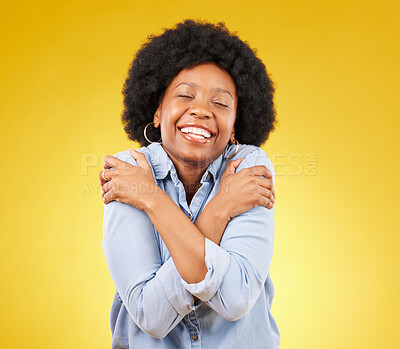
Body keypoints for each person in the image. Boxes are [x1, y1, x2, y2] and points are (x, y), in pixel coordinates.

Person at [99, 19, 280, 348]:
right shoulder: (128, 172)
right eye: (185, 96)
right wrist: (222, 206)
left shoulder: (249, 167)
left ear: (236, 124)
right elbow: (150, 314)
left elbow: (236, 297)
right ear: (157, 112)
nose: (201, 111)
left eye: (221, 103)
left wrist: (150, 200)